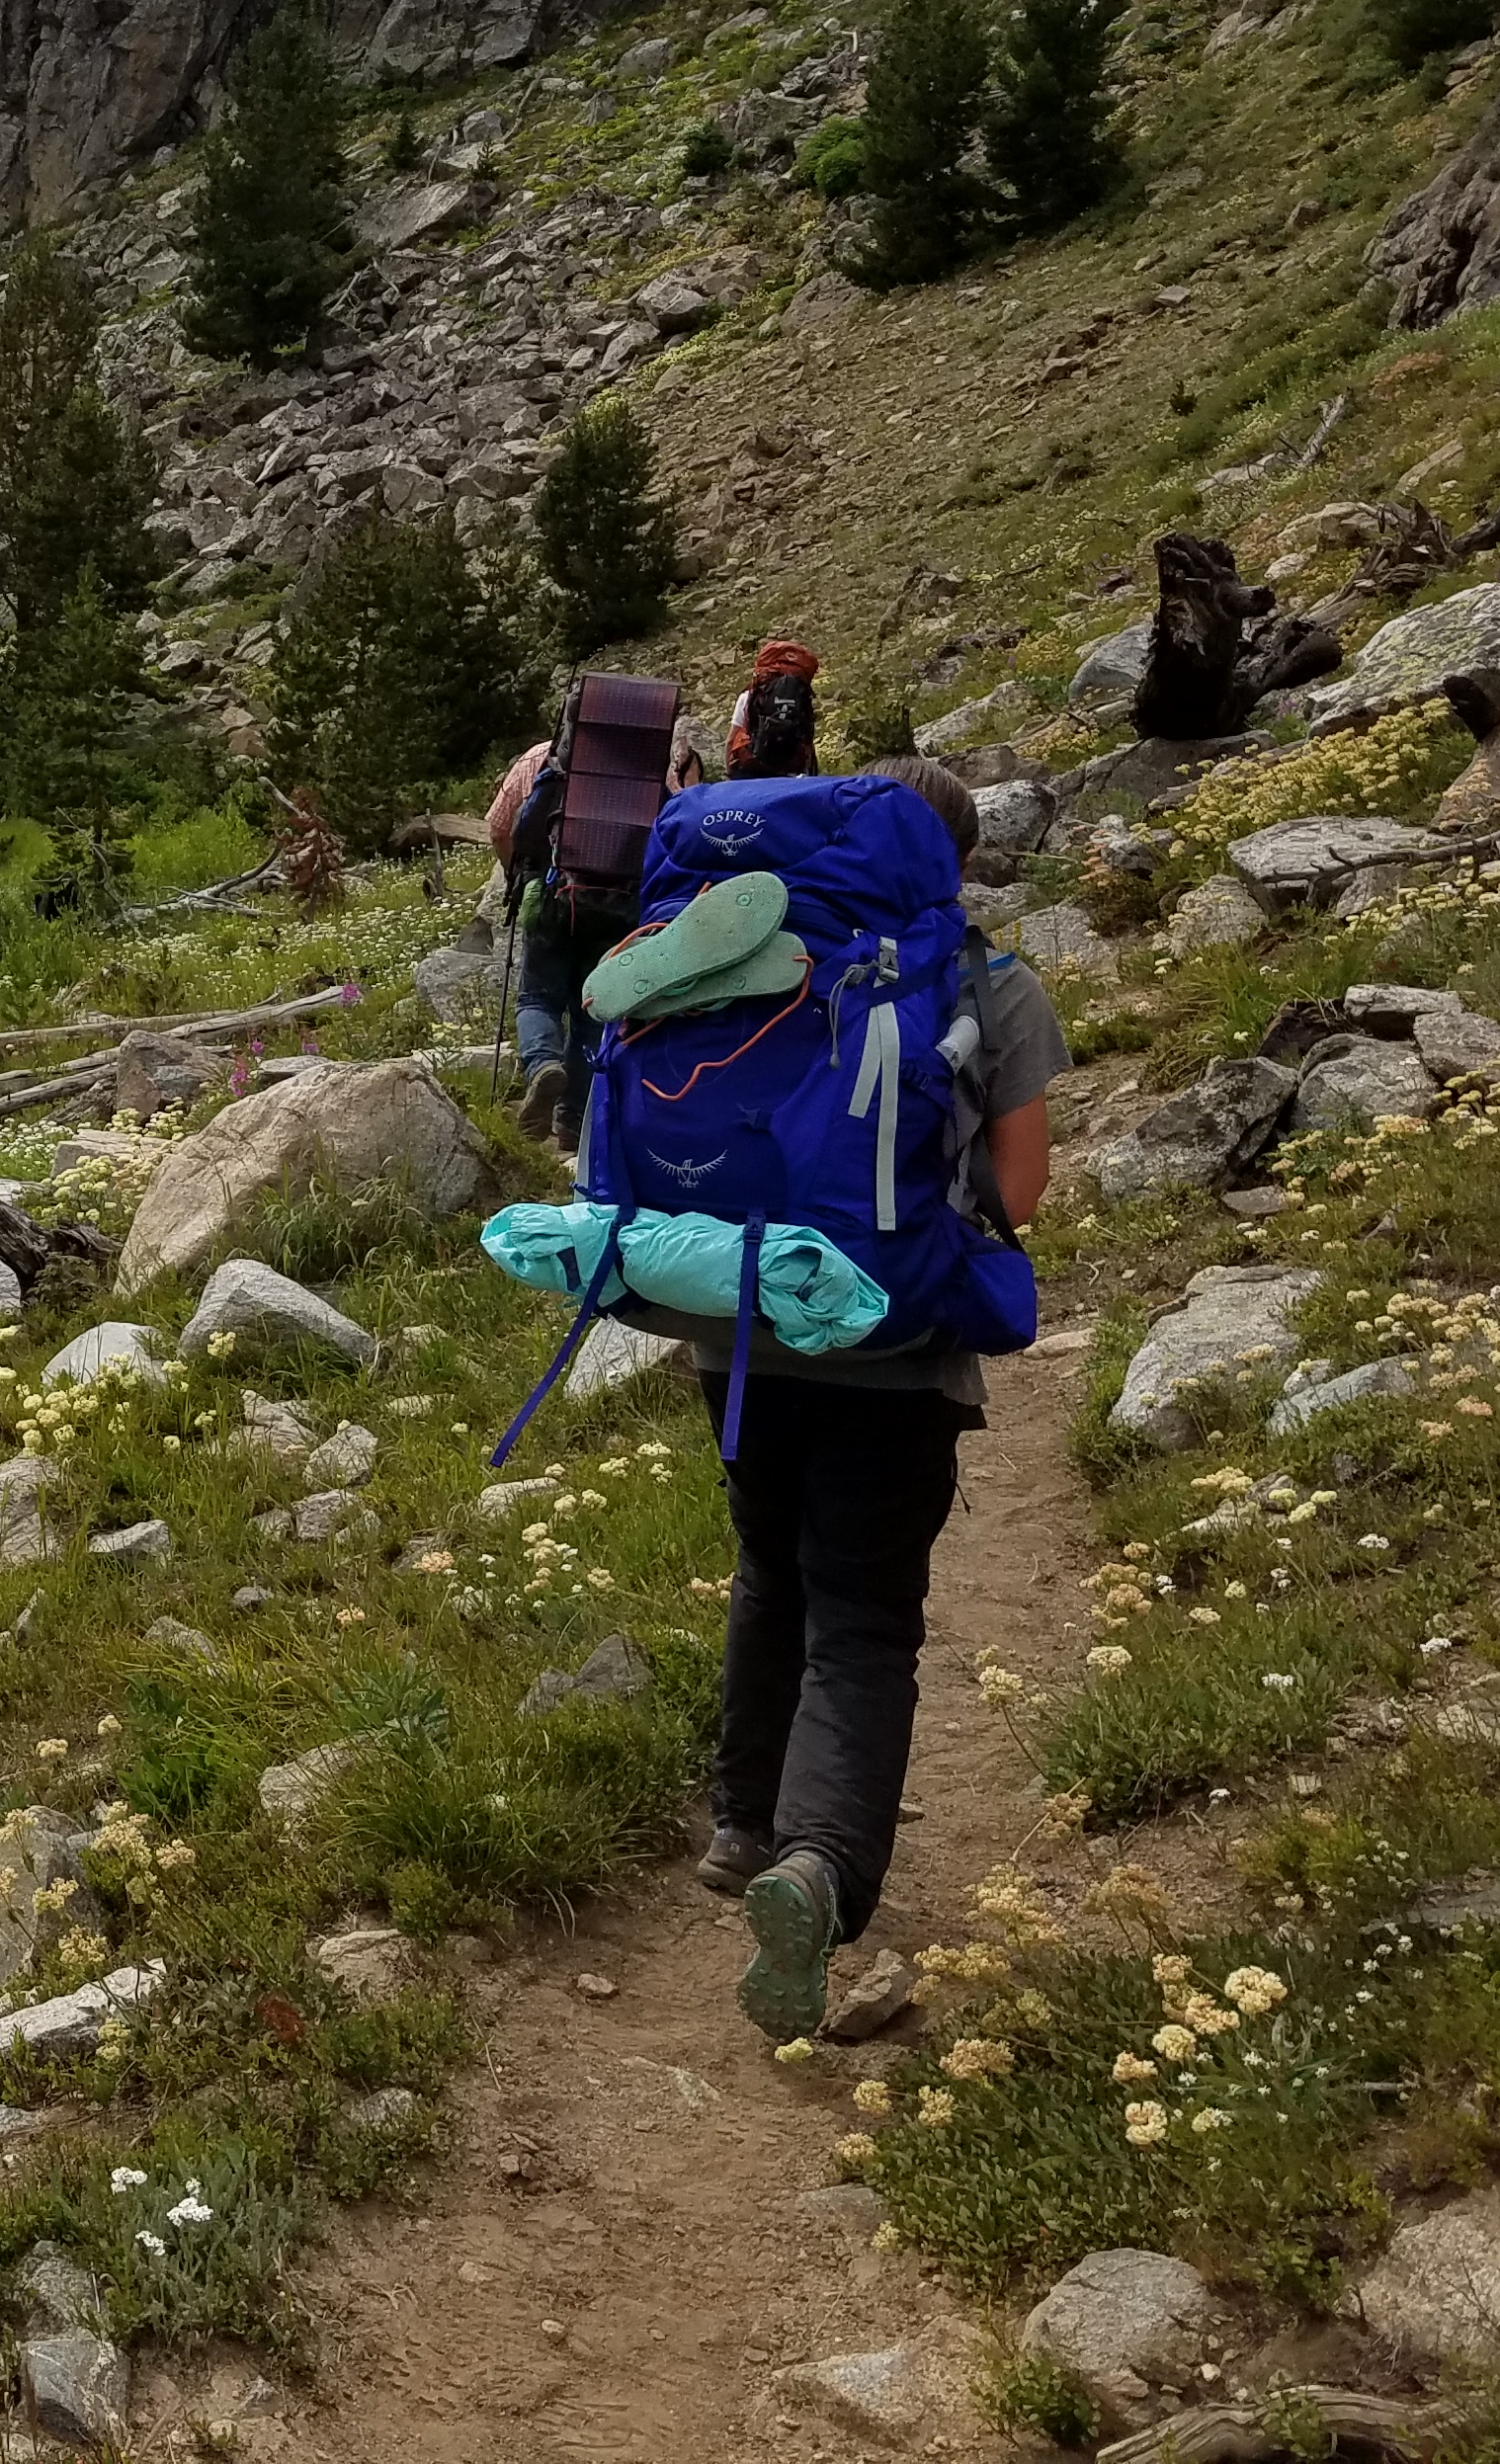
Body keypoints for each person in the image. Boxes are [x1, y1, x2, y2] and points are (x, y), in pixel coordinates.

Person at [700, 755, 1062, 2040]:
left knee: (769, 1568)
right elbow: (1016, 1197)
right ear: (956, 859)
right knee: (862, 1616)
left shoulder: (762, 959)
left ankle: (742, 1823)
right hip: (897, 1357)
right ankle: (821, 1864)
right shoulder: (989, 984)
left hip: (738, 1334)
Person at [486, 715, 702, 1149]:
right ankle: (572, 1122)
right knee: (591, 1011)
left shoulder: (539, 760)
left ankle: (543, 1064)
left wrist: (517, 874)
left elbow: (499, 826)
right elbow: (673, 827)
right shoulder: (645, 773)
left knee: (537, 997)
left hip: (553, 900)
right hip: (618, 909)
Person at [722, 639, 822, 779]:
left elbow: (730, 741)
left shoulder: (749, 697)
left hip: (752, 766)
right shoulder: (800, 696)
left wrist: (729, 773)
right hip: (789, 769)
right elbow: (807, 739)